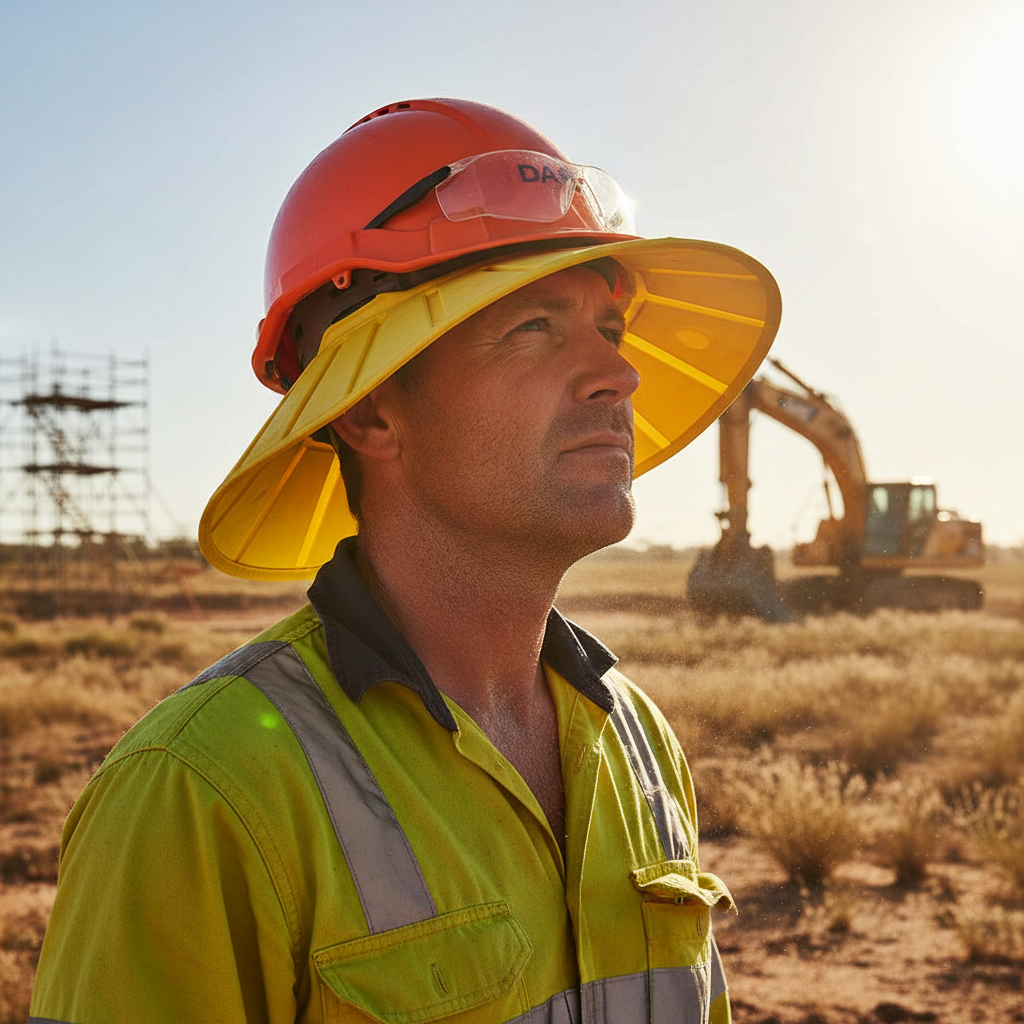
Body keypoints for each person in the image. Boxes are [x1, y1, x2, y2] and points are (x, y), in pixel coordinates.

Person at [30, 98, 781, 1023]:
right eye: (534, 328)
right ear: (371, 409)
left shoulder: (634, 737)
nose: (618, 375)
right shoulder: (198, 793)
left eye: (611, 331)